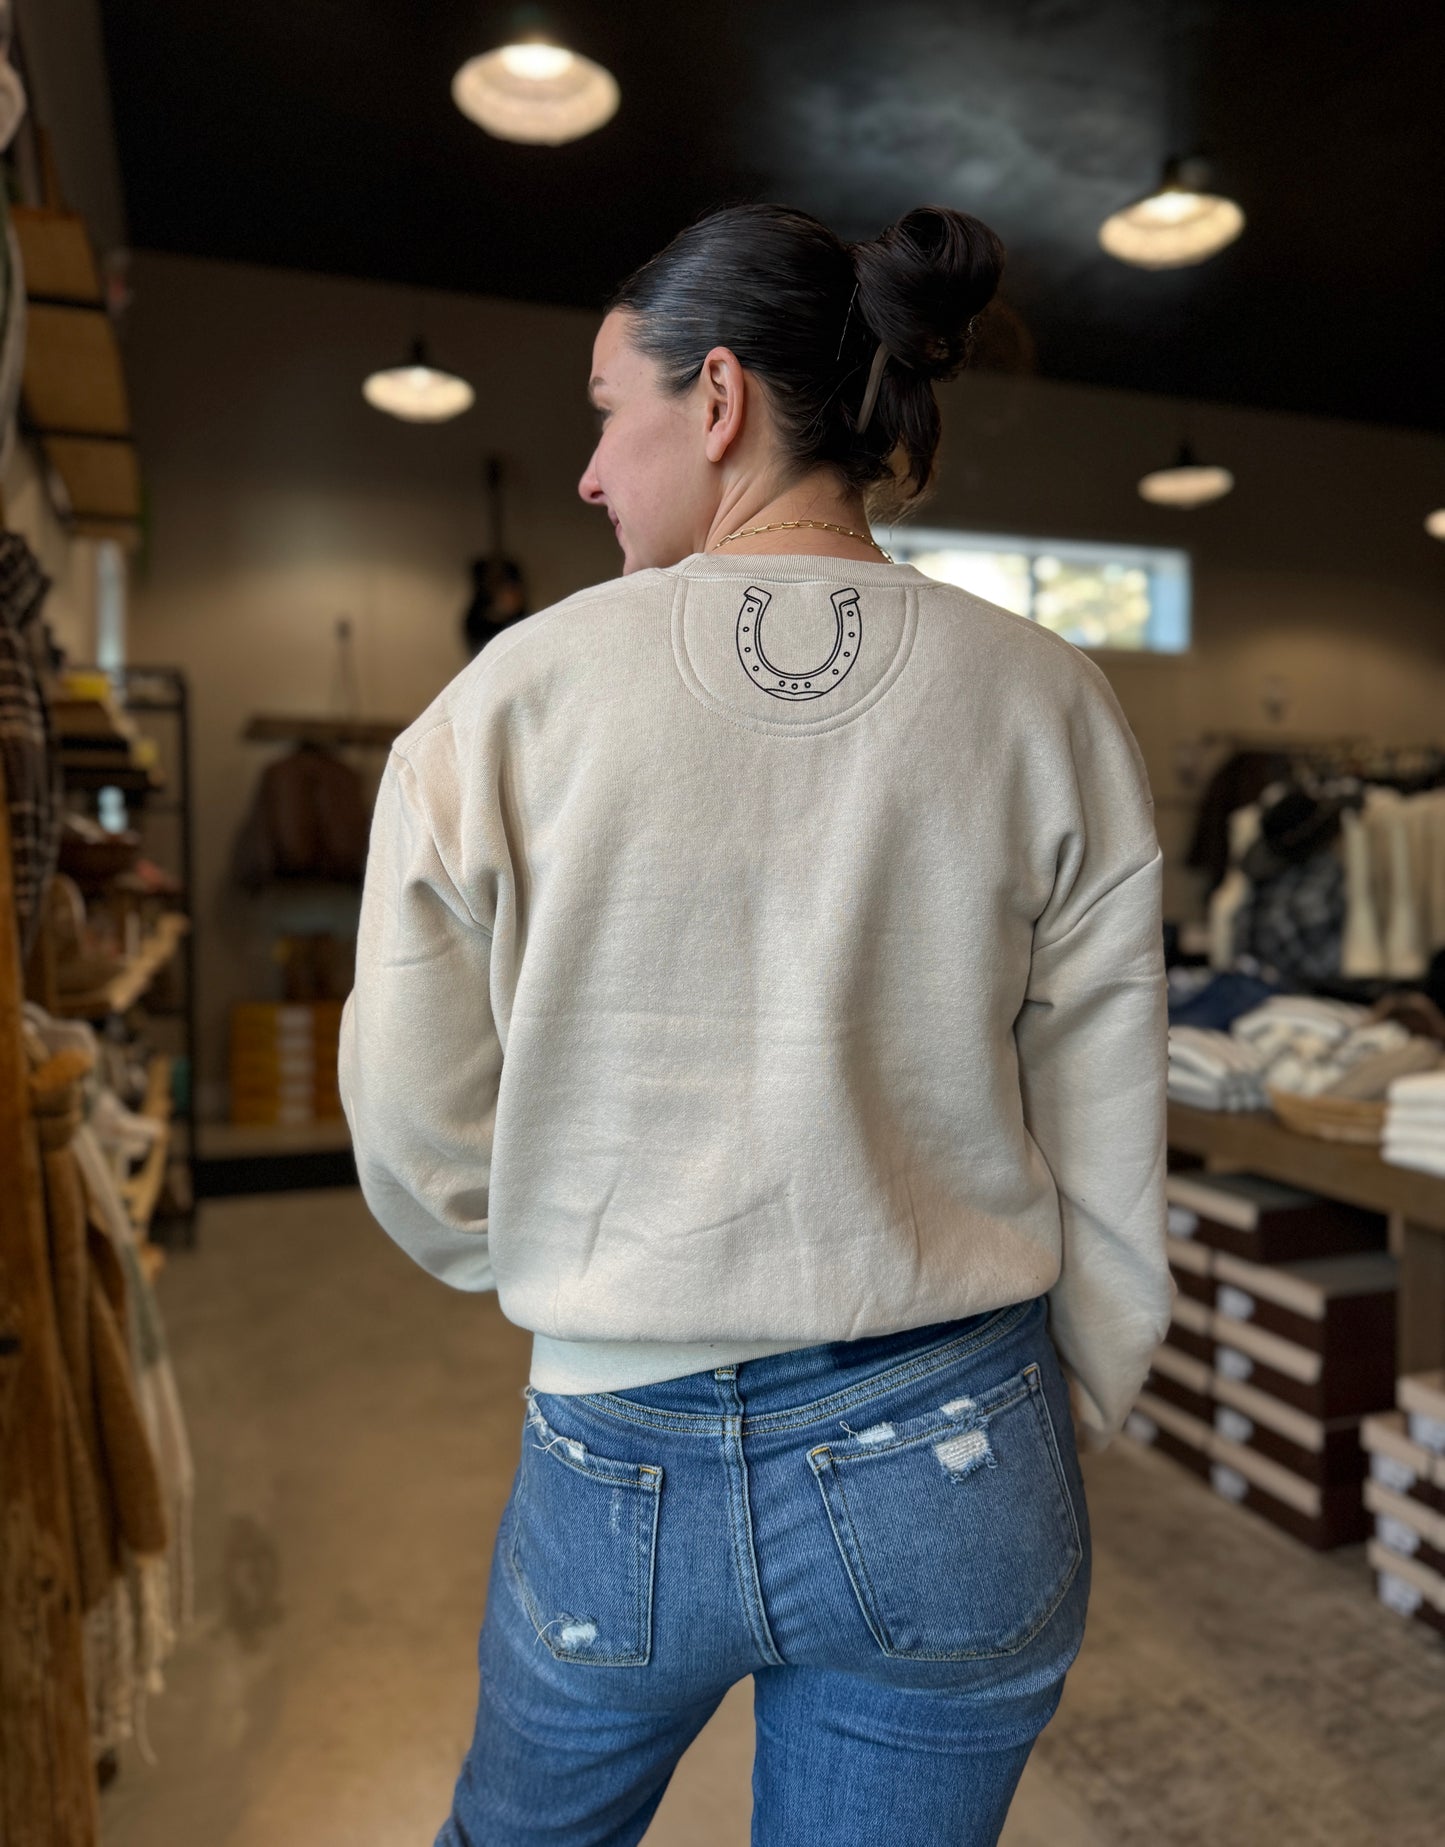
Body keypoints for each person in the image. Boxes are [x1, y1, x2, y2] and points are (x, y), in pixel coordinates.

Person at [338, 202, 1173, 1846]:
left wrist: (563, 1266)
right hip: (956, 1424)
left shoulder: (512, 693)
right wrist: (1070, 1391)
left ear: (713, 399)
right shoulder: (1044, 695)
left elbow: (412, 1122)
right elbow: (1104, 1104)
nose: (588, 471)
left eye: (604, 407)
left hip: (616, 1443)